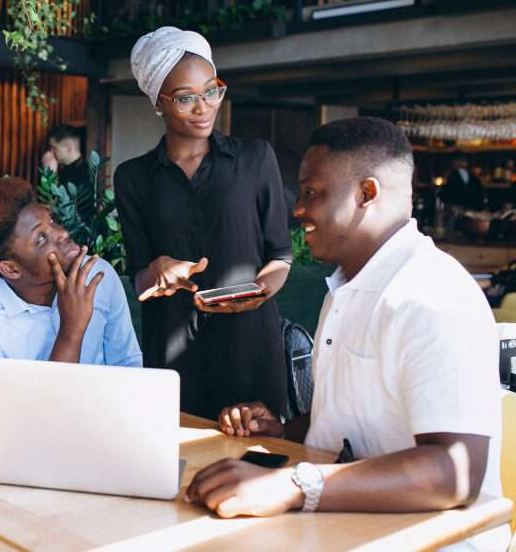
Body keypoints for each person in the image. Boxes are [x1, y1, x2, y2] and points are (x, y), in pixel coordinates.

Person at [188, 117, 507, 552]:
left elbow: (455, 473)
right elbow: (355, 423)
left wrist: (294, 485)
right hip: (347, 523)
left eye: (312, 192)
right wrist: (284, 431)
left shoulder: (433, 297)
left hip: (433, 540)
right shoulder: (346, 288)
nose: (298, 210)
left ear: (366, 194)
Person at [113, 27, 292, 419]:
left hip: (250, 345)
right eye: (185, 98)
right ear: (158, 103)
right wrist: (158, 271)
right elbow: (139, 276)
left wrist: (260, 291)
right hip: (174, 351)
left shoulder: (256, 158)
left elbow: (281, 254)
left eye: (212, 91)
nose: (203, 107)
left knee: (257, 449)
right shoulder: (133, 177)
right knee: (175, 451)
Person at [0, 177, 141, 379]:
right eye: (41, 238)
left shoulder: (96, 275)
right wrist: (71, 330)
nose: (63, 233)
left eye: (52, 221)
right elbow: (22, 402)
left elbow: (127, 365)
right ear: (11, 269)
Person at [42, 125, 91, 191]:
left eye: (54, 148)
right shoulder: (64, 170)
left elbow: (57, 197)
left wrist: (50, 175)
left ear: (68, 147)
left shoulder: (85, 174)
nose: (50, 152)